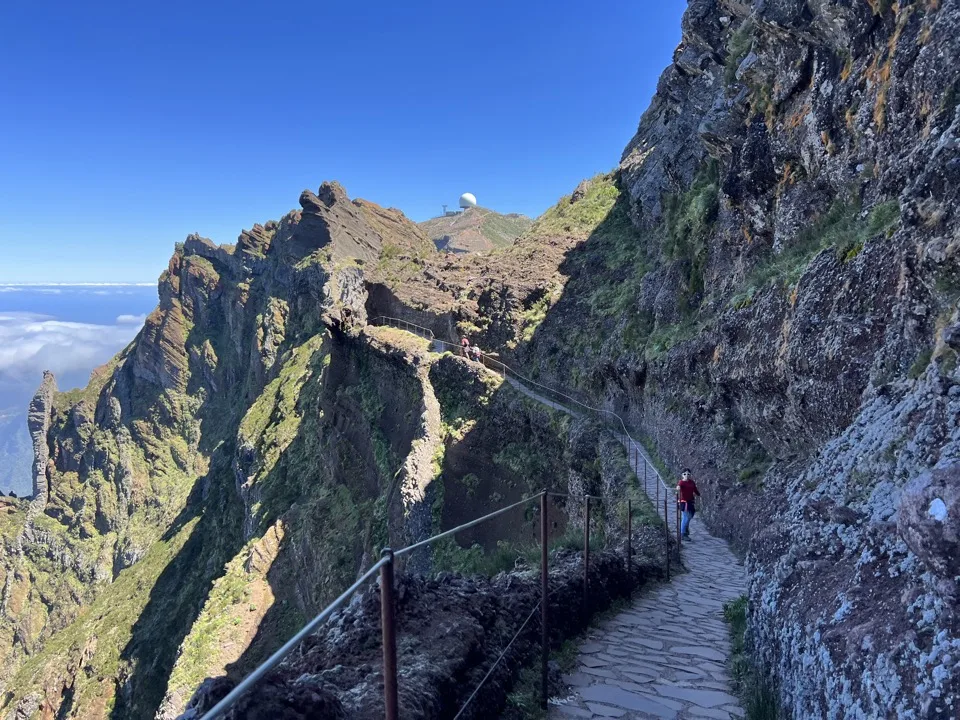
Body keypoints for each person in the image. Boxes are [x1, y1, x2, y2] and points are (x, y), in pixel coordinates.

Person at [676, 468, 700, 538]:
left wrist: (699, 494)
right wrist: (678, 488)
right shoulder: (681, 482)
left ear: (690, 475)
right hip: (684, 502)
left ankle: (685, 529)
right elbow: (678, 486)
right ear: (682, 475)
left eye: (688, 474)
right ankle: (683, 533)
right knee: (686, 517)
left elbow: (695, 489)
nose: (686, 475)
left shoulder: (692, 482)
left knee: (690, 516)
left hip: (690, 501)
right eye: (685, 474)